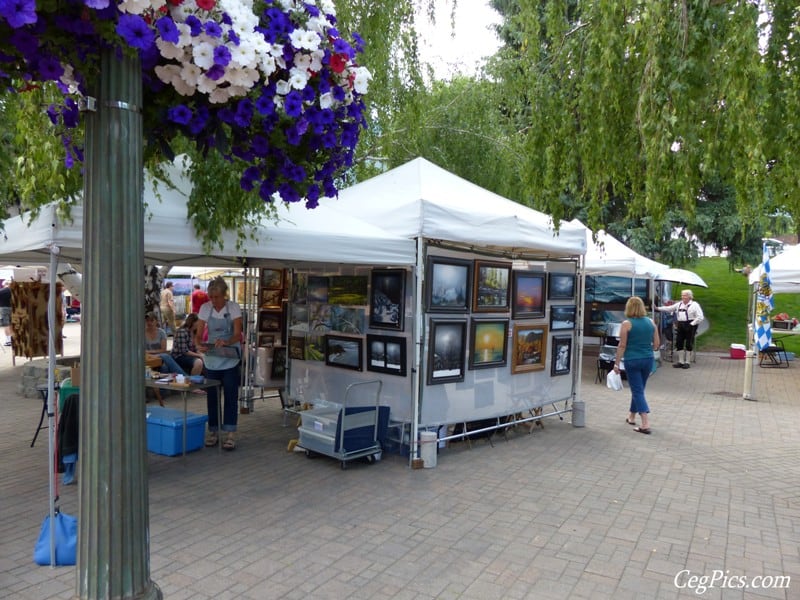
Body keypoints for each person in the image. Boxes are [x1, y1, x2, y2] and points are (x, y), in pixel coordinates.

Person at [195, 276, 242, 451]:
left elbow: (238, 334)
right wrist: (199, 344)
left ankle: (230, 433)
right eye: (211, 297)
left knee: (230, 396)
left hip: (229, 357)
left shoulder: (234, 307)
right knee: (212, 397)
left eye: (217, 297)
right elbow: (199, 334)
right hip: (212, 358)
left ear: (224, 295)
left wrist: (227, 342)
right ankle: (213, 431)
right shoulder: (205, 308)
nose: (213, 300)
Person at [614, 296, 660, 435]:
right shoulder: (651, 322)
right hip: (648, 359)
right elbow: (656, 344)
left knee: (637, 390)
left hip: (632, 359)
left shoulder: (627, 324)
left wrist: (616, 363)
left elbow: (622, 345)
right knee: (639, 389)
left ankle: (645, 423)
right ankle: (631, 416)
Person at [655, 289, 704, 368]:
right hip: (681, 324)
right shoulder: (679, 304)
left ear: (689, 296)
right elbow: (669, 308)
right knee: (679, 342)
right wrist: (658, 308)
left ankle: (687, 362)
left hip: (691, 324)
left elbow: (700, 317)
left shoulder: (695, 305)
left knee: (688, 343)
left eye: (685, 295)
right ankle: (680, 361)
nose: (683, 297)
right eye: (682, 295)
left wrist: (692, 324)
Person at [0, 280, 11, 346]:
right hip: (12, 308)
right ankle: (12, 339)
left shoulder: (1, 291)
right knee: (11, 324)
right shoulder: (13, 291)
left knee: (6, 324)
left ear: (4, 285)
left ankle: (8, 340)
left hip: (4, 308)